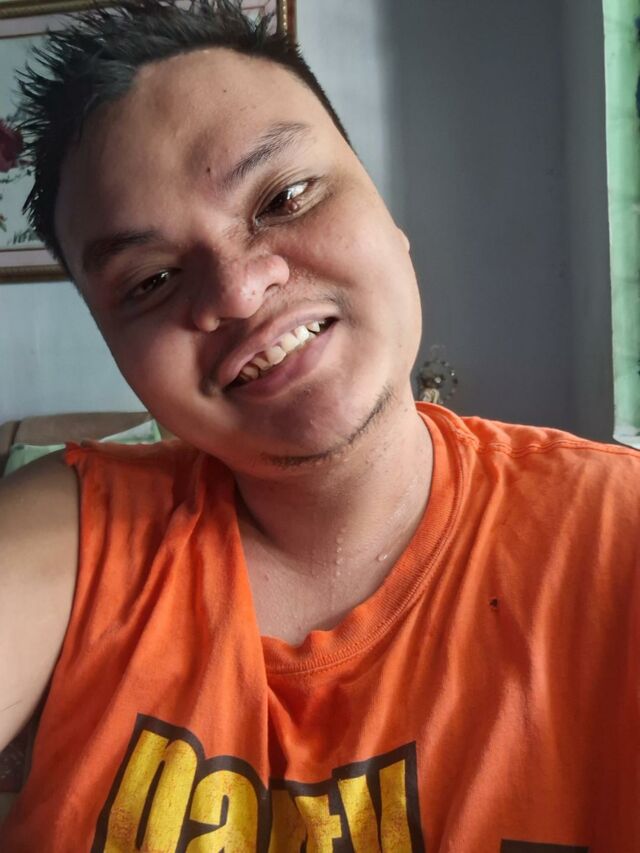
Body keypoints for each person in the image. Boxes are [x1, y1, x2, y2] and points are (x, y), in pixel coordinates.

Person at [0, 1, 638, 850]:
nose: (238, 291)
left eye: (285, 197)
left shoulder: (615, 535)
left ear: (389, 220)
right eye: (151, 281)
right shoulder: (75, 533)